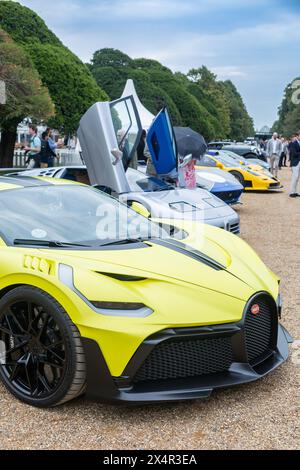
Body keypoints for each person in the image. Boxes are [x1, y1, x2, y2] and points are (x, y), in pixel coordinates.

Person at [289, 132, 300, 198]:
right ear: (297, 136)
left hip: (299, 162)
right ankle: (291, 192)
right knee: (294, 177)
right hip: (295, 162)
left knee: (297, 178)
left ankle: (295, 192)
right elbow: (294, 153)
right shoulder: (293, 143)